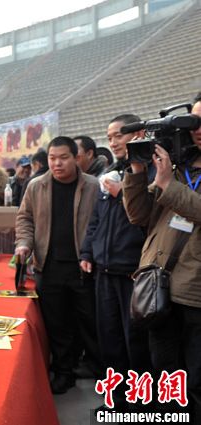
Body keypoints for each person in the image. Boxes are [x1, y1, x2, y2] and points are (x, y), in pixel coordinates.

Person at [122, 93, 201, 420]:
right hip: (160, 287)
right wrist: (138, 171)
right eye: (195, 120)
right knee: (167, 376)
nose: (197, 129)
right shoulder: (177, 163)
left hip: (195, 295)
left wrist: (168, 182)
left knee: (196, 381)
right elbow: (139, 215)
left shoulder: (173, 174)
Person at [15, 136, 100, 394]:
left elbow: (101, 223)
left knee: (90, 322)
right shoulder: (36, 186)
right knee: (57, 324)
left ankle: (100, 370)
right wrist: (24, 243)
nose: (57, 163)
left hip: (84, 267)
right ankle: (64, 372)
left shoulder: (94, 186)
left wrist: (92, 254)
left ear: (76, 158)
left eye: (63, 158)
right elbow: (24, 218)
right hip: (48, 267)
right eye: (53, 158)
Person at [79, 114, 152, 410]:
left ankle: (141, 404)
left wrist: (124, 192)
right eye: (109, 137)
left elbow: (151, 217)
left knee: (135, 342)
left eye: (118, 135)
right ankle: (118, 400)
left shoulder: (151, 171)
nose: (113, 142)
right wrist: (87, 252)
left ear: (139, 134)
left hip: (133, 272)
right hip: (104, 270)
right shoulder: (110, 172)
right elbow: (96, 220)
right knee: (109, 338)